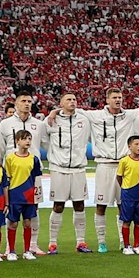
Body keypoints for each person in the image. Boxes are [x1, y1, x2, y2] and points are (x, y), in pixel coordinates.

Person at [41, 92, 91, 253]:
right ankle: (52, 243)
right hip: (59, 169)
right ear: (61, 103)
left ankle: (81, 242)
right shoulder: (51, 121)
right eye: (68, 99)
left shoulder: (84, 119)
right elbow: (43, 140)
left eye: (75, 99)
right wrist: (54, 154)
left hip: (78, 168)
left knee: (79, 204)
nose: (72, 102)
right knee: (58, 205)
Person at [86, 89, 133, 256]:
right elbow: (74, 111)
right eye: (114, 97)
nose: (118, 100)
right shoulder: (95, 116)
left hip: (123, 165)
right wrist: (54, 113)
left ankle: (123, 240)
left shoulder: (129, 115)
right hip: (104, 164)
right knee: (101, 205)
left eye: (120, 97)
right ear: (107, 99)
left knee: (123, 204)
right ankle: (101, 242)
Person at [3, 130, 44, 258]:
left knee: (27, 222)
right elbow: (7, 178)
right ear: (17, 141)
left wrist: (36, 197)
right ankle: (12, 251)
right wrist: (6, 199)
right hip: (14, 195)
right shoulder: (10, 158)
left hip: (28, 196)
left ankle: (27, 250)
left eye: (29, 139)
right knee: (13, 223)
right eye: (25, 139)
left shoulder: (34, 159)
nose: (28, 141)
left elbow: (36, 178)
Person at [115, 136, 139, 255]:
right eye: (136, 144)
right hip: (128, 194)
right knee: (127, 220)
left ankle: (136, 245)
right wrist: (125, 188)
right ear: (129, 146)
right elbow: (119, 177)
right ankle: (126, 246)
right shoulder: (124, 161)